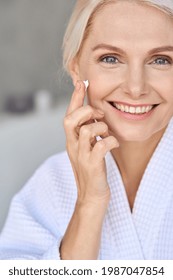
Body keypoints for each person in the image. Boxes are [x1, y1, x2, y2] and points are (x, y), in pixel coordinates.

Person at [0, 0, 173, 260]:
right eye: (111, 58)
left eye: (161, 60)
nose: (136, 88)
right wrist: (89, 203)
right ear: (75, 67)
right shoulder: (51, 184)